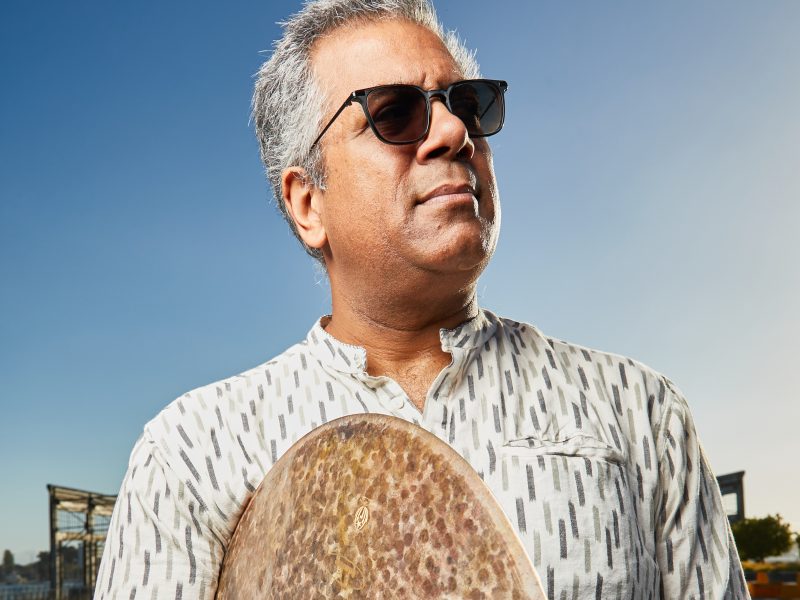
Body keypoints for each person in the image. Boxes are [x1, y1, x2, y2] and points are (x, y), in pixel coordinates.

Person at [95, 0, 749, 598]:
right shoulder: (192, 450)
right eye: (394, 113)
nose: (454, 133)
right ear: (306, 203)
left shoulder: (638, 410)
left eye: (468, 104)